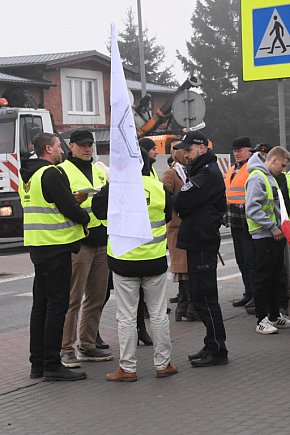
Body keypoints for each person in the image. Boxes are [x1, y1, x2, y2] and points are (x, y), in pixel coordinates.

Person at [101, 147, 177, 381]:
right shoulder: (159, 188)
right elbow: (167, 216)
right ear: (147, 164)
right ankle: (163, 365)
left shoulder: (115, 189)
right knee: (158, 314)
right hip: (153, 261)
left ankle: (128, 368)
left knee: (126, 316)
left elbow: (97, 211)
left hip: (124, 261)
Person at [18, 132, 89, 381]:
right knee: (57, 305)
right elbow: (67, 206)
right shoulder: (51, 173)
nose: (62, 151)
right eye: (59, 146)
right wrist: (85, 217)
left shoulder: (27, 177)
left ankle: (37, 363)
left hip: (38, 248)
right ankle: (52, 364)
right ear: (48, 148)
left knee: (40, 306)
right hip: (57, 247)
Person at [58, 129, 113, 367]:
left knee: (97, 296)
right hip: (79, 242)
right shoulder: (62, 171)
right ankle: (65, 349)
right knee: (73, 299)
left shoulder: (100, 170)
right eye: (82, 145)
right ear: (71, 146)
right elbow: (60, 204)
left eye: (90, 144)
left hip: (101, 240)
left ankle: (88, 345)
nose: (87, 148)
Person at [174, 131, 228, 367]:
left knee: (206, 297)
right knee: (200, 296)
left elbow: (180, 202)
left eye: (189, 149)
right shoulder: (199, 171)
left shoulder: (207, 173)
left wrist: (184, 205)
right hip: (198, 240)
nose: (186, 154)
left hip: (203, 241)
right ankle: (211, 344)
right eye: (183, 150)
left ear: (203, 148)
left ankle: (217, 349)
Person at [245, 146, 290, 334]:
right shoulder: (257, 177)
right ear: (273, 160)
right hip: (264, 236)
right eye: (282, 165)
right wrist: (272, 226)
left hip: (274, 235)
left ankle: (273, 315)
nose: (284, 170)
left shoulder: (269, 176)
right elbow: (252, 209)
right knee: (263, 278)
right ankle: (261, 319)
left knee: (273, 277)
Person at [161, 141, 198, 322]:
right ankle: (189, 307)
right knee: (184, 269)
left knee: (186, 269)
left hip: (186, 227)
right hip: (177, 228)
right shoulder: (171, 173)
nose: (188, 154)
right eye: (186, 151)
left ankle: (184, 307)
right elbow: (165, 199)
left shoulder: (185, 172)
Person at [224, 137, 255, 309]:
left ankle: (256, 295)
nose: (236, 153)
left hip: (247, 222)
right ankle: (248, 293)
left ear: (249, 150)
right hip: (234, 221)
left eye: (240, 150)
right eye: (234, 150)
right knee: (241, 260)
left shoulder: (252, 169)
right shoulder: (231, 170)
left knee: (250, 261)